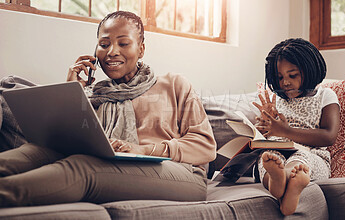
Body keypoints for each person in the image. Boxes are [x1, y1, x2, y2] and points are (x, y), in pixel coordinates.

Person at [0, 11, 216, 207]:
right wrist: (70, 90)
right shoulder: (95, 94)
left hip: (180, 174)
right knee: (35, 152)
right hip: (115, 164)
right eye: (104, 44)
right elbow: (72, 142)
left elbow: (205, 146)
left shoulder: (174, 84)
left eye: (123, 44)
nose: (112, 52)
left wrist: (142, 150)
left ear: (141, 49)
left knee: (83, 166)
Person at [252, 38, 340, 216]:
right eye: (279, 77)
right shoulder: (277, 99)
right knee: (267, 158)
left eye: (292, 75)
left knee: (301, 158)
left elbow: (329, 136)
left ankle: (290, 179)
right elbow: (267, 134)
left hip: (312, 155)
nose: (285, 82)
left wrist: (286, 131)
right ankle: (277, 180)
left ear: (309, 70)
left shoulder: (325, 95)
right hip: (279, 150)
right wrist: (264, 124)